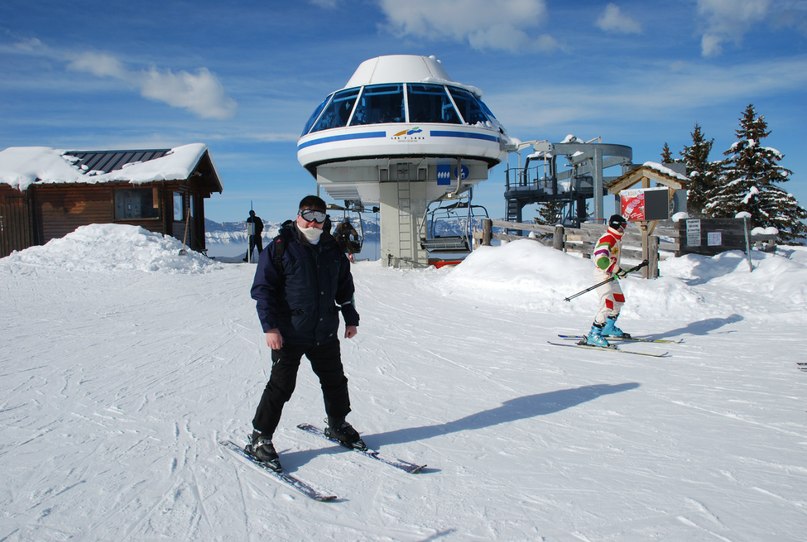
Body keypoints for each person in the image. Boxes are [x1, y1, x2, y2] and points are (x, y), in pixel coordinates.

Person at [245, 195, 363, 469]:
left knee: (335, 380)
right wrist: (270, 327)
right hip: (289, 333)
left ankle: (337, 423)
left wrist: (351, 318)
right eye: (308, 215)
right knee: (281, 385)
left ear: (325, 221)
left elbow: (345, 287)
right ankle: (260, 437)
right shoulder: (280, 247)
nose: (312, 221)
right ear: (298, 215)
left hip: (323, 331)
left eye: (319, 217)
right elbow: (263, 290)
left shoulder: (333, 249)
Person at [584, 214, 631, 347]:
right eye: (624, 226)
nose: (625, 229)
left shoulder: (615, 238)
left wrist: (617, 272)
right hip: (602, 275)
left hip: (610, 275)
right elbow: (600, 259)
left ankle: (608, 328)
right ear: (618, 225)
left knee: (619, 300)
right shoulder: (608, 238)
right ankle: (594, 334)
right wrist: (617, 269)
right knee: (607, 304)